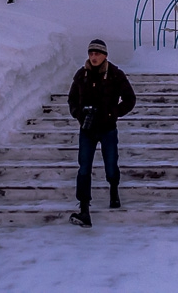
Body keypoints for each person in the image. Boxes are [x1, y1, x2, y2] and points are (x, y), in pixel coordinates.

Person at [66, 38, 136, 228]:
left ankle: (114, 189)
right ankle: (84, 209)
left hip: (107, 128)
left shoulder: (115, 74)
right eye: (91, 53)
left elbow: (130, 99)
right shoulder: (82, 75)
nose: (93, 57)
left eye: (97, 53)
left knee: (111, 164)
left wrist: (113, 113)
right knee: (84, 168)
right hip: (87, 129)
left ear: (105, 55)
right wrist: (79, 114)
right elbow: (71, 99)